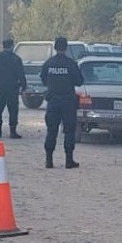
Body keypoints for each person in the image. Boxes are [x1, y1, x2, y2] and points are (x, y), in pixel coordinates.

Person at [41, 37, 84, 168]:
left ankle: (49, 160)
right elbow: (79, 81)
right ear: (66, 48)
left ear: (55, 47)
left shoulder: (49, 63)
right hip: (67, 101)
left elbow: (43, 80)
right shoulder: (70, 63)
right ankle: (68, 160)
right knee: (69, 130)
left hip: (53, 100)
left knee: (51, 130)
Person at [0, 38, 27, 139]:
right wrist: (23, 86)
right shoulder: (15, 58)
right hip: (12, 89)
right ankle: (12, 132)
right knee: (13, 110)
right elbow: (21, 74)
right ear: (11, 46)